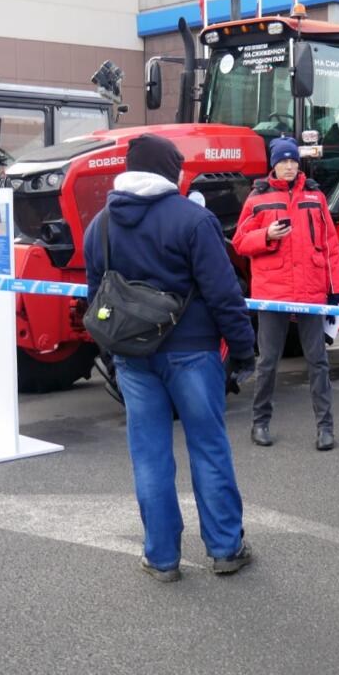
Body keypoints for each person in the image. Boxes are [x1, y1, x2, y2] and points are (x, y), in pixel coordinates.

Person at [84, 134, 256, 581]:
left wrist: (113, 352)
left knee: (149, 456)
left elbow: (95, 299)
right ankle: (224, 548)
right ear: (168, 172)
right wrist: (242, 350)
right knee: (209, 449)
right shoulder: (194, 221)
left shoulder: (99, 225)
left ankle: (161, 558)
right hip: (193, 354)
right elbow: (225, 293)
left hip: (133, 357)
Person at [234, 137, 339, 451]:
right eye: (283, 160)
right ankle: (260, 423)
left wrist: (336, 289)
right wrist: (266, 235)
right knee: (268, 361)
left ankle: (326, 429)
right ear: (274, 163)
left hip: (310, 291)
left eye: (293, 160)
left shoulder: (315, 195)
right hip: (272, 292)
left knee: (318, 362)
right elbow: (240, 241)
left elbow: (330, 245)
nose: (289, 165)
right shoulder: (257, 199)